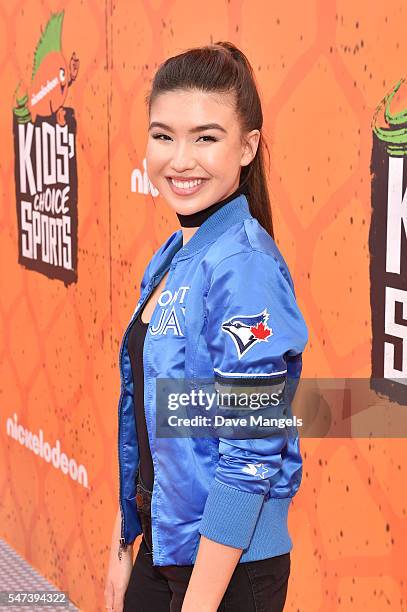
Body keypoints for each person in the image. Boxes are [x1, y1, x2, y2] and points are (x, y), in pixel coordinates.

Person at [104, 41, 308, 612]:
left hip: (228, 567)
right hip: (166, 544)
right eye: (164, 135)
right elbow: (152, 420)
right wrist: (125, 539)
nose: (180, 159)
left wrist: (198, 603)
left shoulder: (244, 267)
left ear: (248, 148)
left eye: (206, 138)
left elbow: (249, 454)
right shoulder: (176, 253)